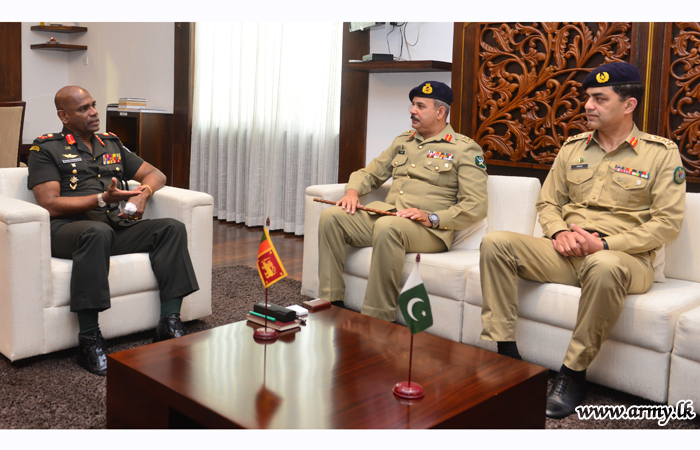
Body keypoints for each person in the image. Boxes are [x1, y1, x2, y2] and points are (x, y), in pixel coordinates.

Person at [478, 62, 686, 418]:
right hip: (568, 253)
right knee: (496, 242)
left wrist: (603, 245)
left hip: (625, 259)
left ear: (629, 105)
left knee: (603, 265)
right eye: (587, 97)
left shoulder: (660, 153)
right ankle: (506, 354)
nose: (588, 105)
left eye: (599, 99)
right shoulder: (573, 147)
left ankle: (573, 374)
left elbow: (667, 224)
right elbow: (548, 203)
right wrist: (559, 232)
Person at [27, 86, 199, 376]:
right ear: (64, 116)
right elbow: (49, 203)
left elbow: (156, 174)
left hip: (111, 227)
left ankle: (169, 323)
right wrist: (100, 199)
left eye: (93, 105)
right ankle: (89, 339)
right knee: (96, 232)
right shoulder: (46, 149)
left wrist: (143, 194)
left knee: (171, 228)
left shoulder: (111, 144)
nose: (94, 112)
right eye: (84, 109)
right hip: (67, 231)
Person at [318, 81, 488, 322]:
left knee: (388, 227)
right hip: (390, 216)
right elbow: (370, 173)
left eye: (420, 106)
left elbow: (476, 205)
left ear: (440, 112)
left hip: (429, 230)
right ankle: (330, 301)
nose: (412, 111)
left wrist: (432, 218)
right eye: (413, 105)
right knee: (332, 217)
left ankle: (377, 317)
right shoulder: (403, 141)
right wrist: (352, 192)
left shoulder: (464, 149)